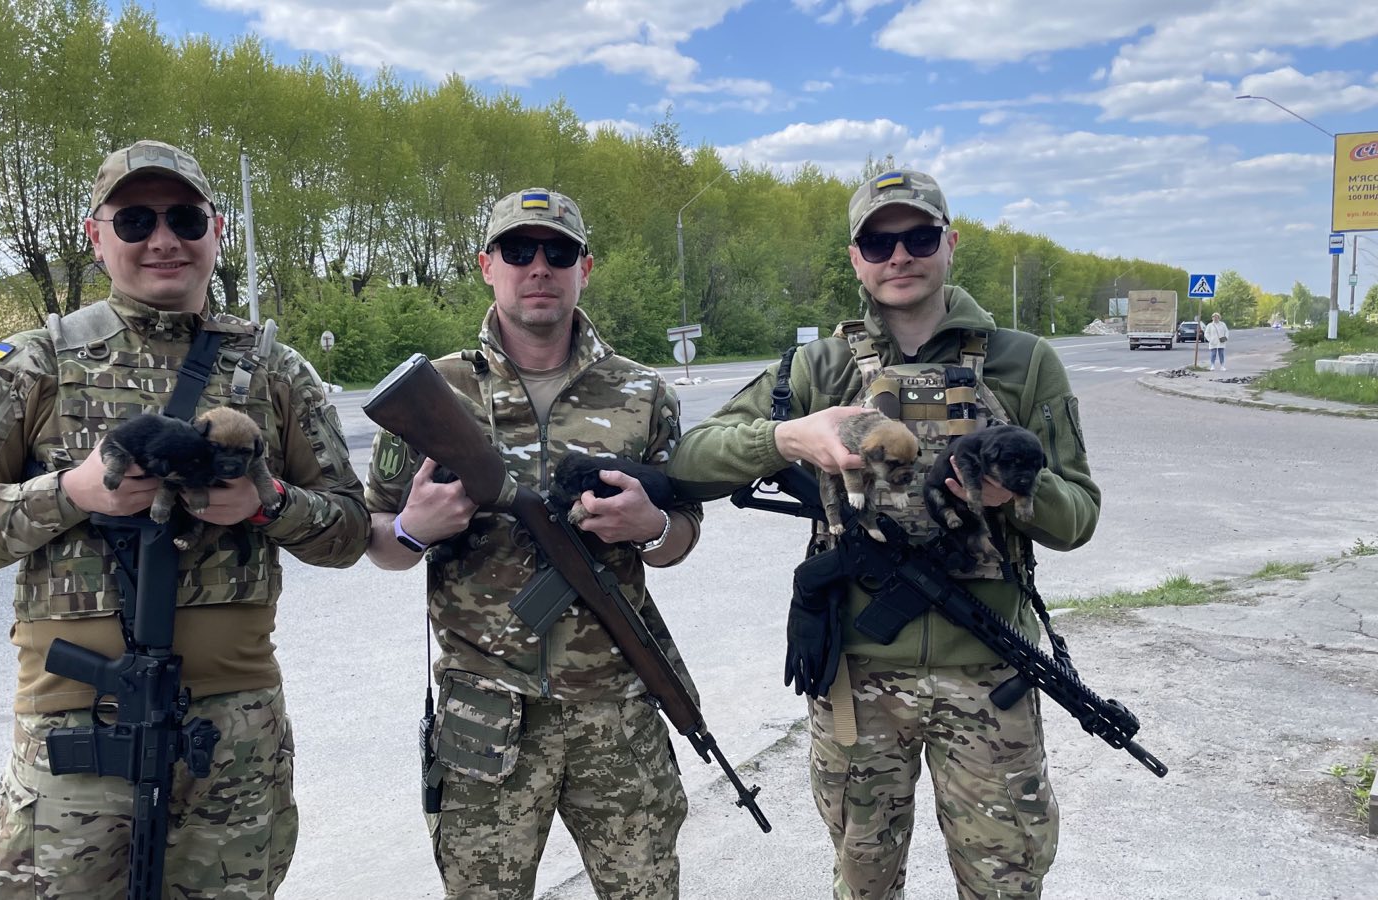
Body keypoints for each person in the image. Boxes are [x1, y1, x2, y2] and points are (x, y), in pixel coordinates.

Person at [0, 139, 369, 898]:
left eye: (185, 218)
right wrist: (71, 493)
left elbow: (349, 532)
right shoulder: (33, 364)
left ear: (216, 230)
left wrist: (268, 504)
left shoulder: (275, 369)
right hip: (79, 737)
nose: (163, 239)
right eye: (135, 221)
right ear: (97, 236)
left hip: (234, 735)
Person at [668, 169, 1101, 900]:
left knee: (1007, 883)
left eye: (919, 237)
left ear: (950, 244)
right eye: (878, 242)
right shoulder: (818, 367)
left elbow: (1079, 516)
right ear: (856, 257)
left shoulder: (1023, 363)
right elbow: (691, 460)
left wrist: (1018, 492)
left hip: (989, 677)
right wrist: (789, 437)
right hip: (857, 683)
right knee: (862, 884)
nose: (899, 256)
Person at [364, 188, 703, 899]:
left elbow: (682, 535)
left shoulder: (642, 393)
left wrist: (651, 527)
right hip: (483, 718)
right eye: (519, 251)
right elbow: (379, 540)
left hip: (616, 710)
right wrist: (413, 529)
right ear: (487, 265)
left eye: (559, 252)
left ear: (586, 268)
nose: (539, 267)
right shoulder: (435, 392)